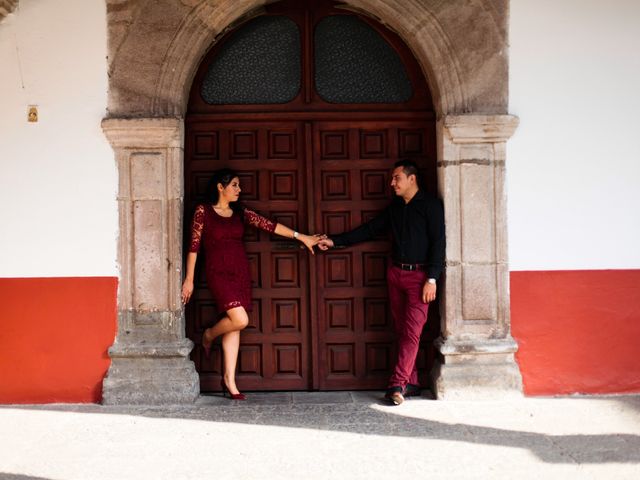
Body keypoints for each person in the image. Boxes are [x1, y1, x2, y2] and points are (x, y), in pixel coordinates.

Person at [181, 168, 320, 400]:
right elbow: (194, 247)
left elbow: (270, 225)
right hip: (218, 273)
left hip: (240, 273)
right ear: (220, 187)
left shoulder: (240, 213)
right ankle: (208, 335)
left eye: (238, 185)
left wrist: (301, 236)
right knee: (240, 319)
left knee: (235, 325)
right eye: (234, 185)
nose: (239, 189)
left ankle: (229, 381)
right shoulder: (203, 212)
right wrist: (189, 279)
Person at [318, 159, 445, 405]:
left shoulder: (431, 206)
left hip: (420, 278)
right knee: (402, 331)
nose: (392, 183)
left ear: (412, 178)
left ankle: (397, 384)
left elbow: (439, 243)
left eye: (396, 178)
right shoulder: (395, 207)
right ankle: (413, 381)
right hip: (396, 274)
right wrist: (335, 241)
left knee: (411, 332)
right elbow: (369, 229)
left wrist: (432, 278)